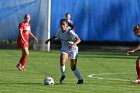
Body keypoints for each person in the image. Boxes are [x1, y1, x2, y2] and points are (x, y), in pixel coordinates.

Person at [45, 19, 83, 84]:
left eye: (63, 24)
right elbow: (55, 36)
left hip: (73, 49)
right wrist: (48, 40)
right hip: (65, 48)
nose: (62, 26)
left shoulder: (70, 32)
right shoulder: (59, 30)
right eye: (61, 24)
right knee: (62, 61)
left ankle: (80, 79)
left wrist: (73, 45)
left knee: (73, 67)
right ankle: (63, 75)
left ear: (67, 25)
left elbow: (79, 40)